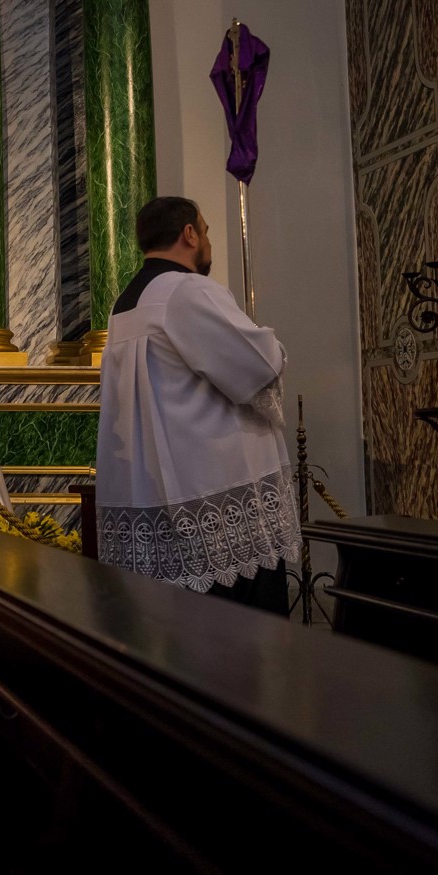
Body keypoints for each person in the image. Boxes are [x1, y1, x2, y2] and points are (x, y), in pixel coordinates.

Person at [95, 196, 299, 612]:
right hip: (213, 492)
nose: (206, 240)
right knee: (246, 645)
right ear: (188, 234)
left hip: (160, 495)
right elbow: (258, 366)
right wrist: (271, 343)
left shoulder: (124, 305)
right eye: (204, 230)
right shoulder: (186, 290)